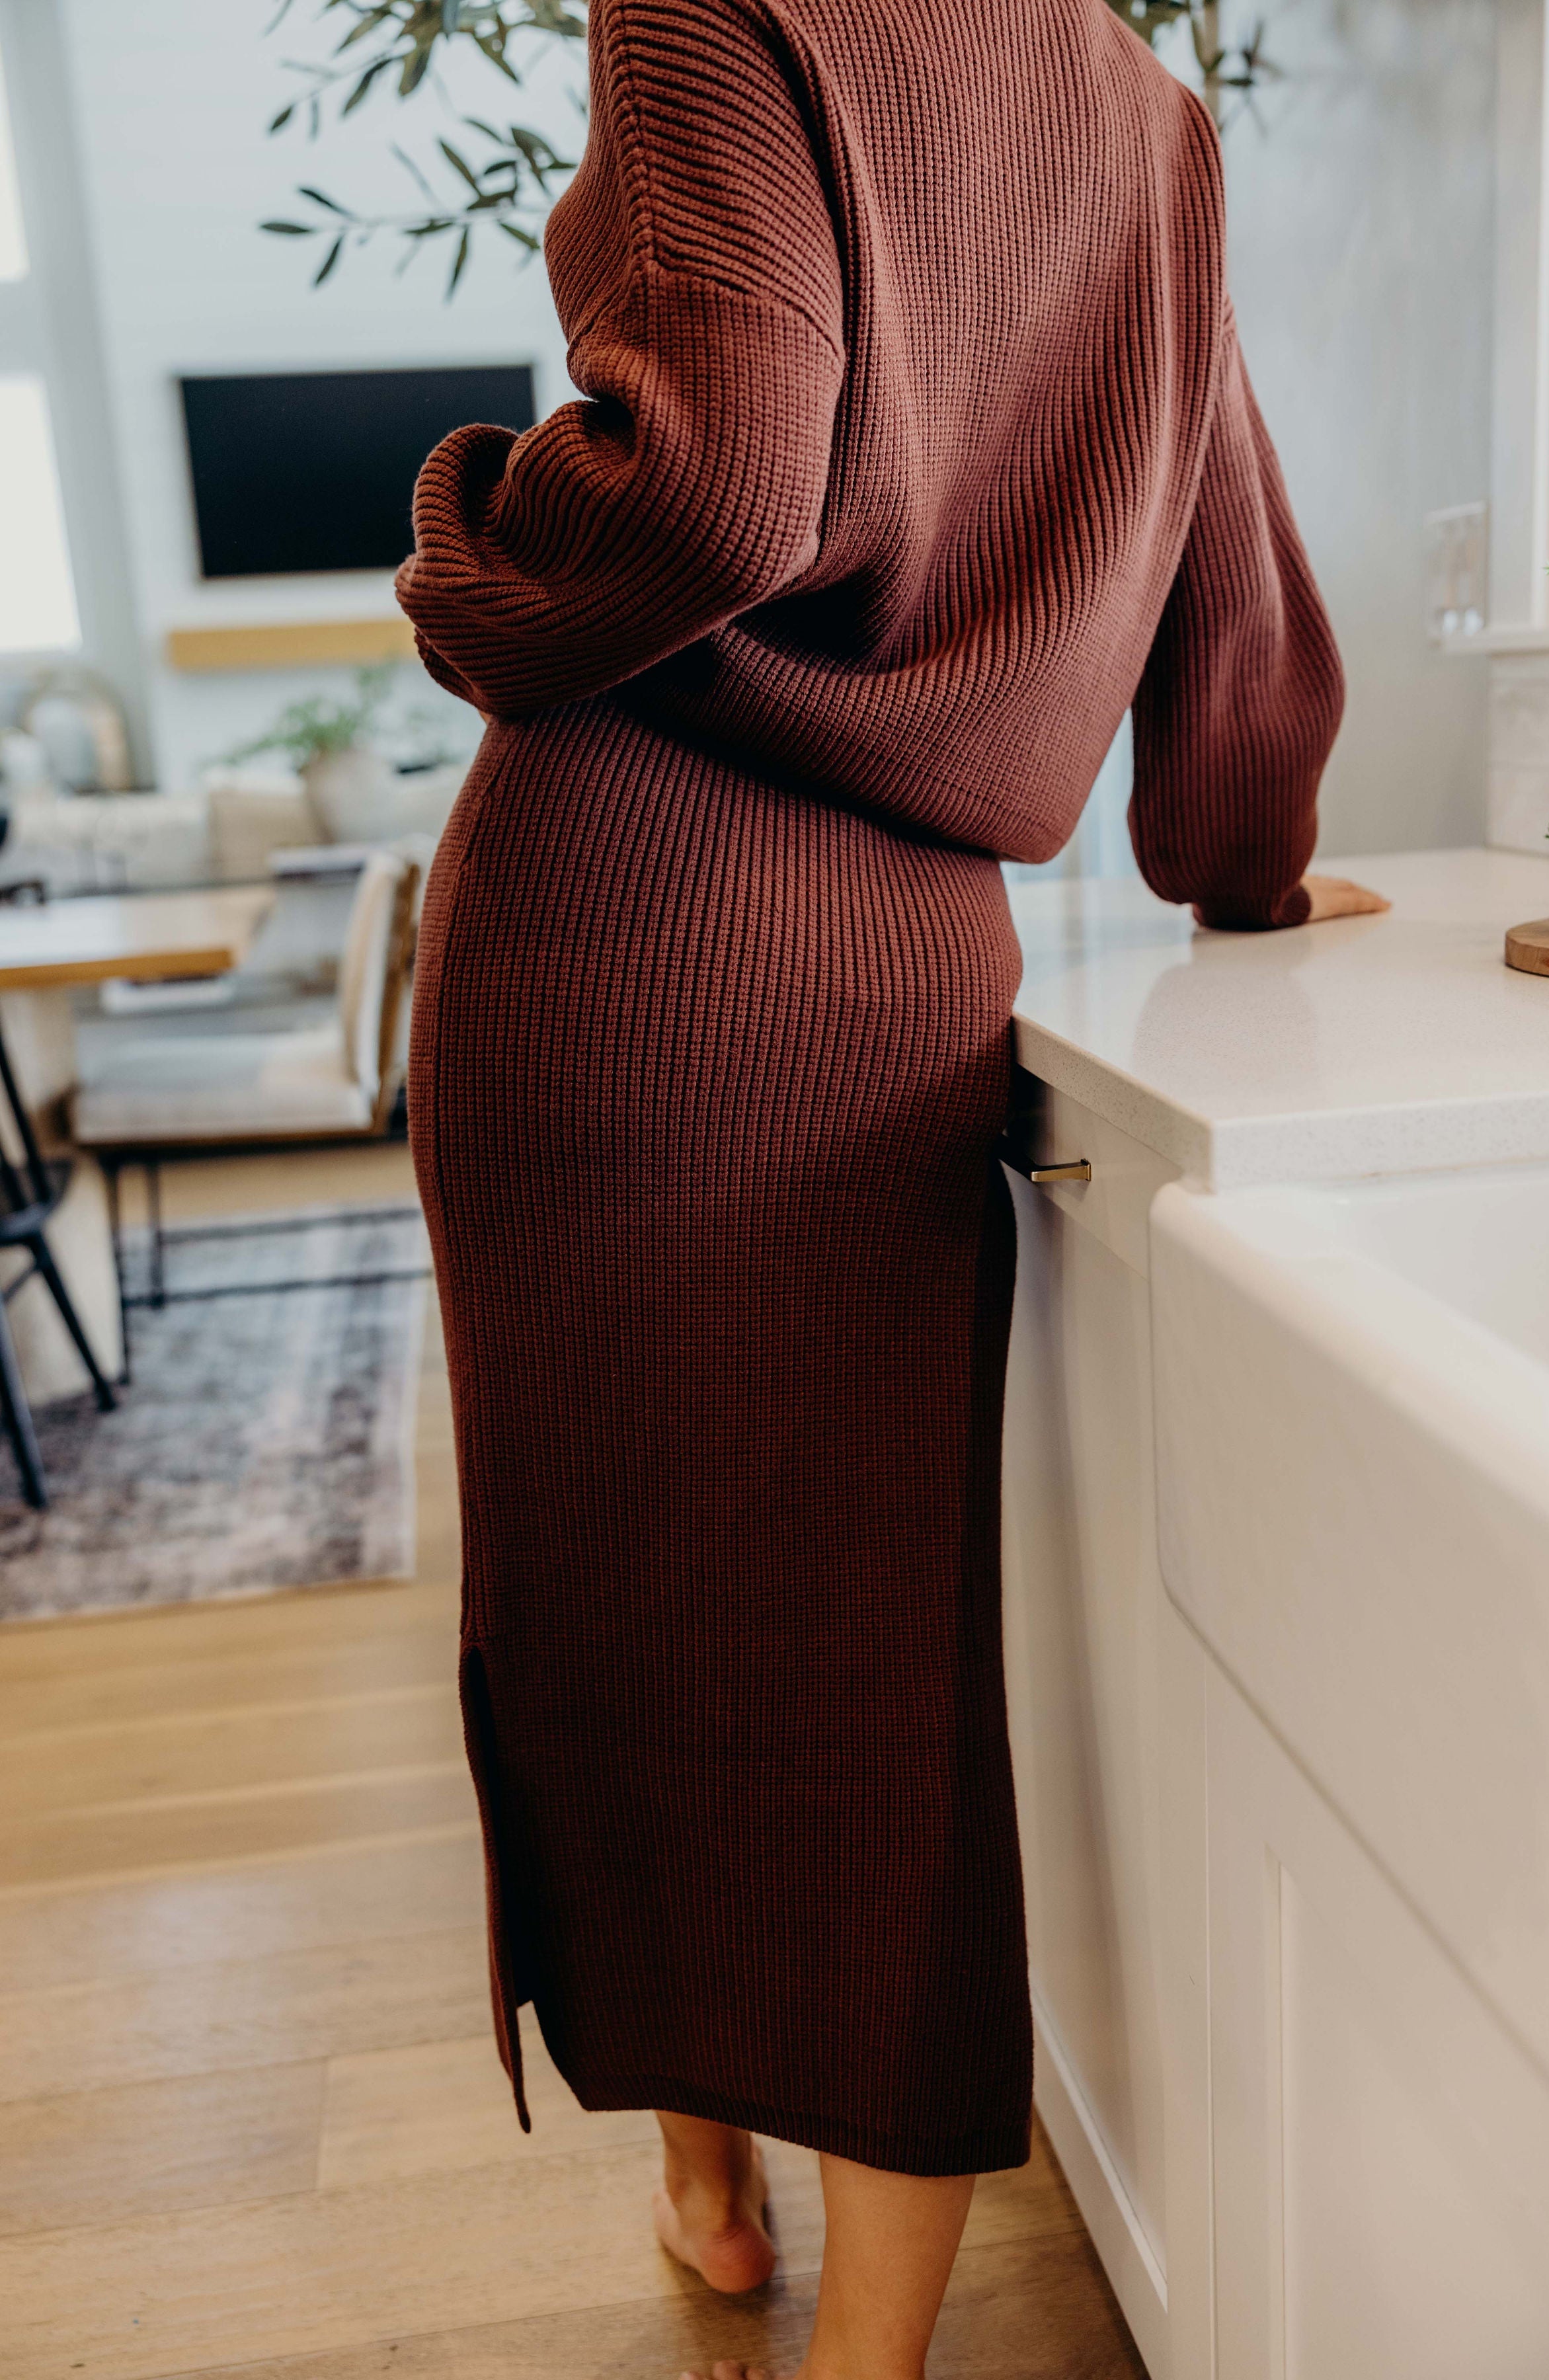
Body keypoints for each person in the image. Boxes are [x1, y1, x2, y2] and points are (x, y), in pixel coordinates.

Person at [395, 1, 1382, 2373]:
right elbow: (1232, 581)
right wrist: (1246, 867)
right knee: (871, 1650)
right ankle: (870, 2342)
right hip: (900, 968)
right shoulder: (1144, 110)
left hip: (616, 923)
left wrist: (470, 545)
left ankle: (706, 2186)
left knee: (616, 1589)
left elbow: (711, 493)